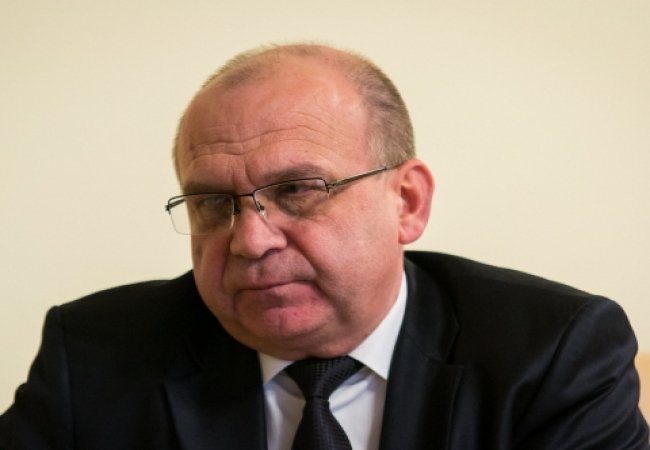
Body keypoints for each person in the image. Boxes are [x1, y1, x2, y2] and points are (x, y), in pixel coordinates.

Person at [0, 43, 648, 450]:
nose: (250, 241)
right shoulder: (93, 355)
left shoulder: (553, 352)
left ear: (407, 202)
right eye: (213, 204)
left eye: (298, 190)